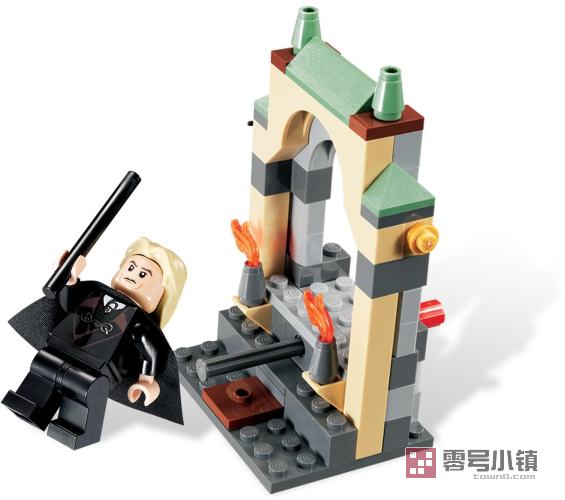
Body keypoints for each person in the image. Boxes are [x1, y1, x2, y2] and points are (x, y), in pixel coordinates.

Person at [2, 237, 187, 449]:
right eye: (130, 267)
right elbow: (68, 304)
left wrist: (146, 382)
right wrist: (69, 279)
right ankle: (30, 405)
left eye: (143, 274)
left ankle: (72, 428)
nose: (132, 275)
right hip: (60, 346)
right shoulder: (92, 293)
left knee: (84, 390)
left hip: (96, 370)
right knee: (43, 367)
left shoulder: (138, 323)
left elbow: (151, 352)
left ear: (161, 295)